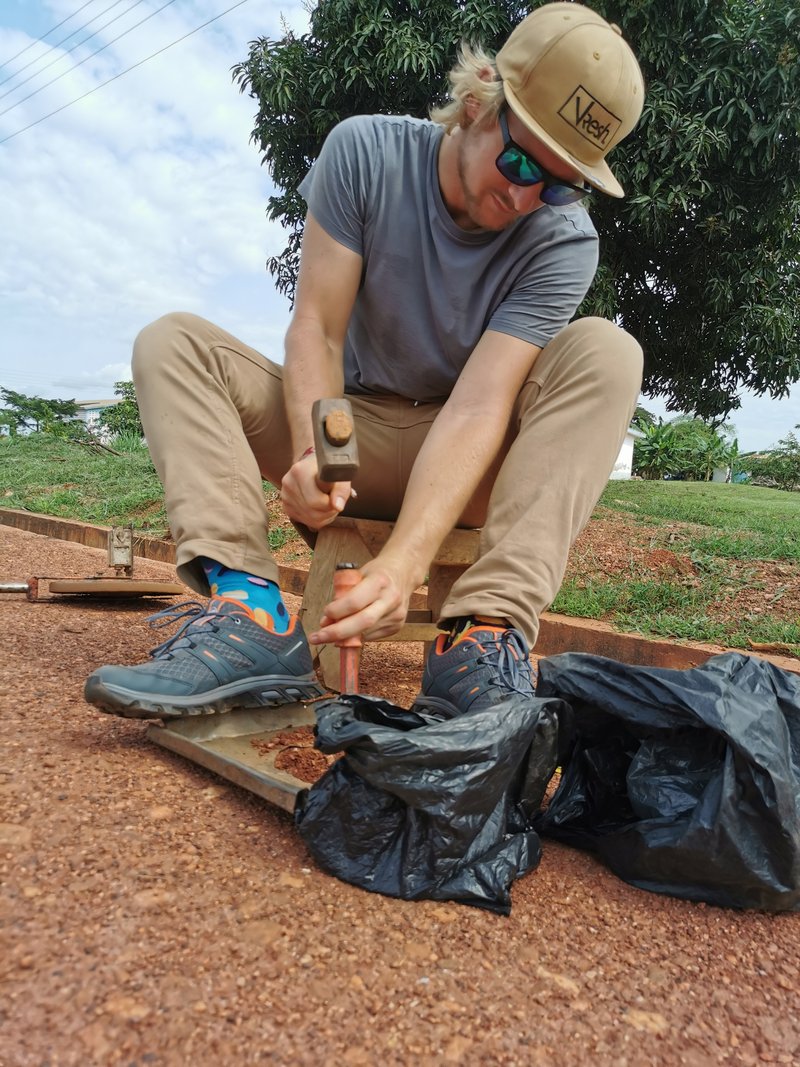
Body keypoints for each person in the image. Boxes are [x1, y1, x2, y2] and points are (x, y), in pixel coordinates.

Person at [84, 2, 645, 721]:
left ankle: (484, 635)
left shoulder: (563, 241)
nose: (527, 196)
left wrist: (404, 565)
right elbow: (316, 329)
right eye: (520, 161)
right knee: (173, 342)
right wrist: (323, 454)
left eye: (562, 184)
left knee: (608, 352)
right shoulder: (366, 153)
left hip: (469, 454)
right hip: (353, 424)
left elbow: (480, 403)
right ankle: (251, 615)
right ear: (477, 101)